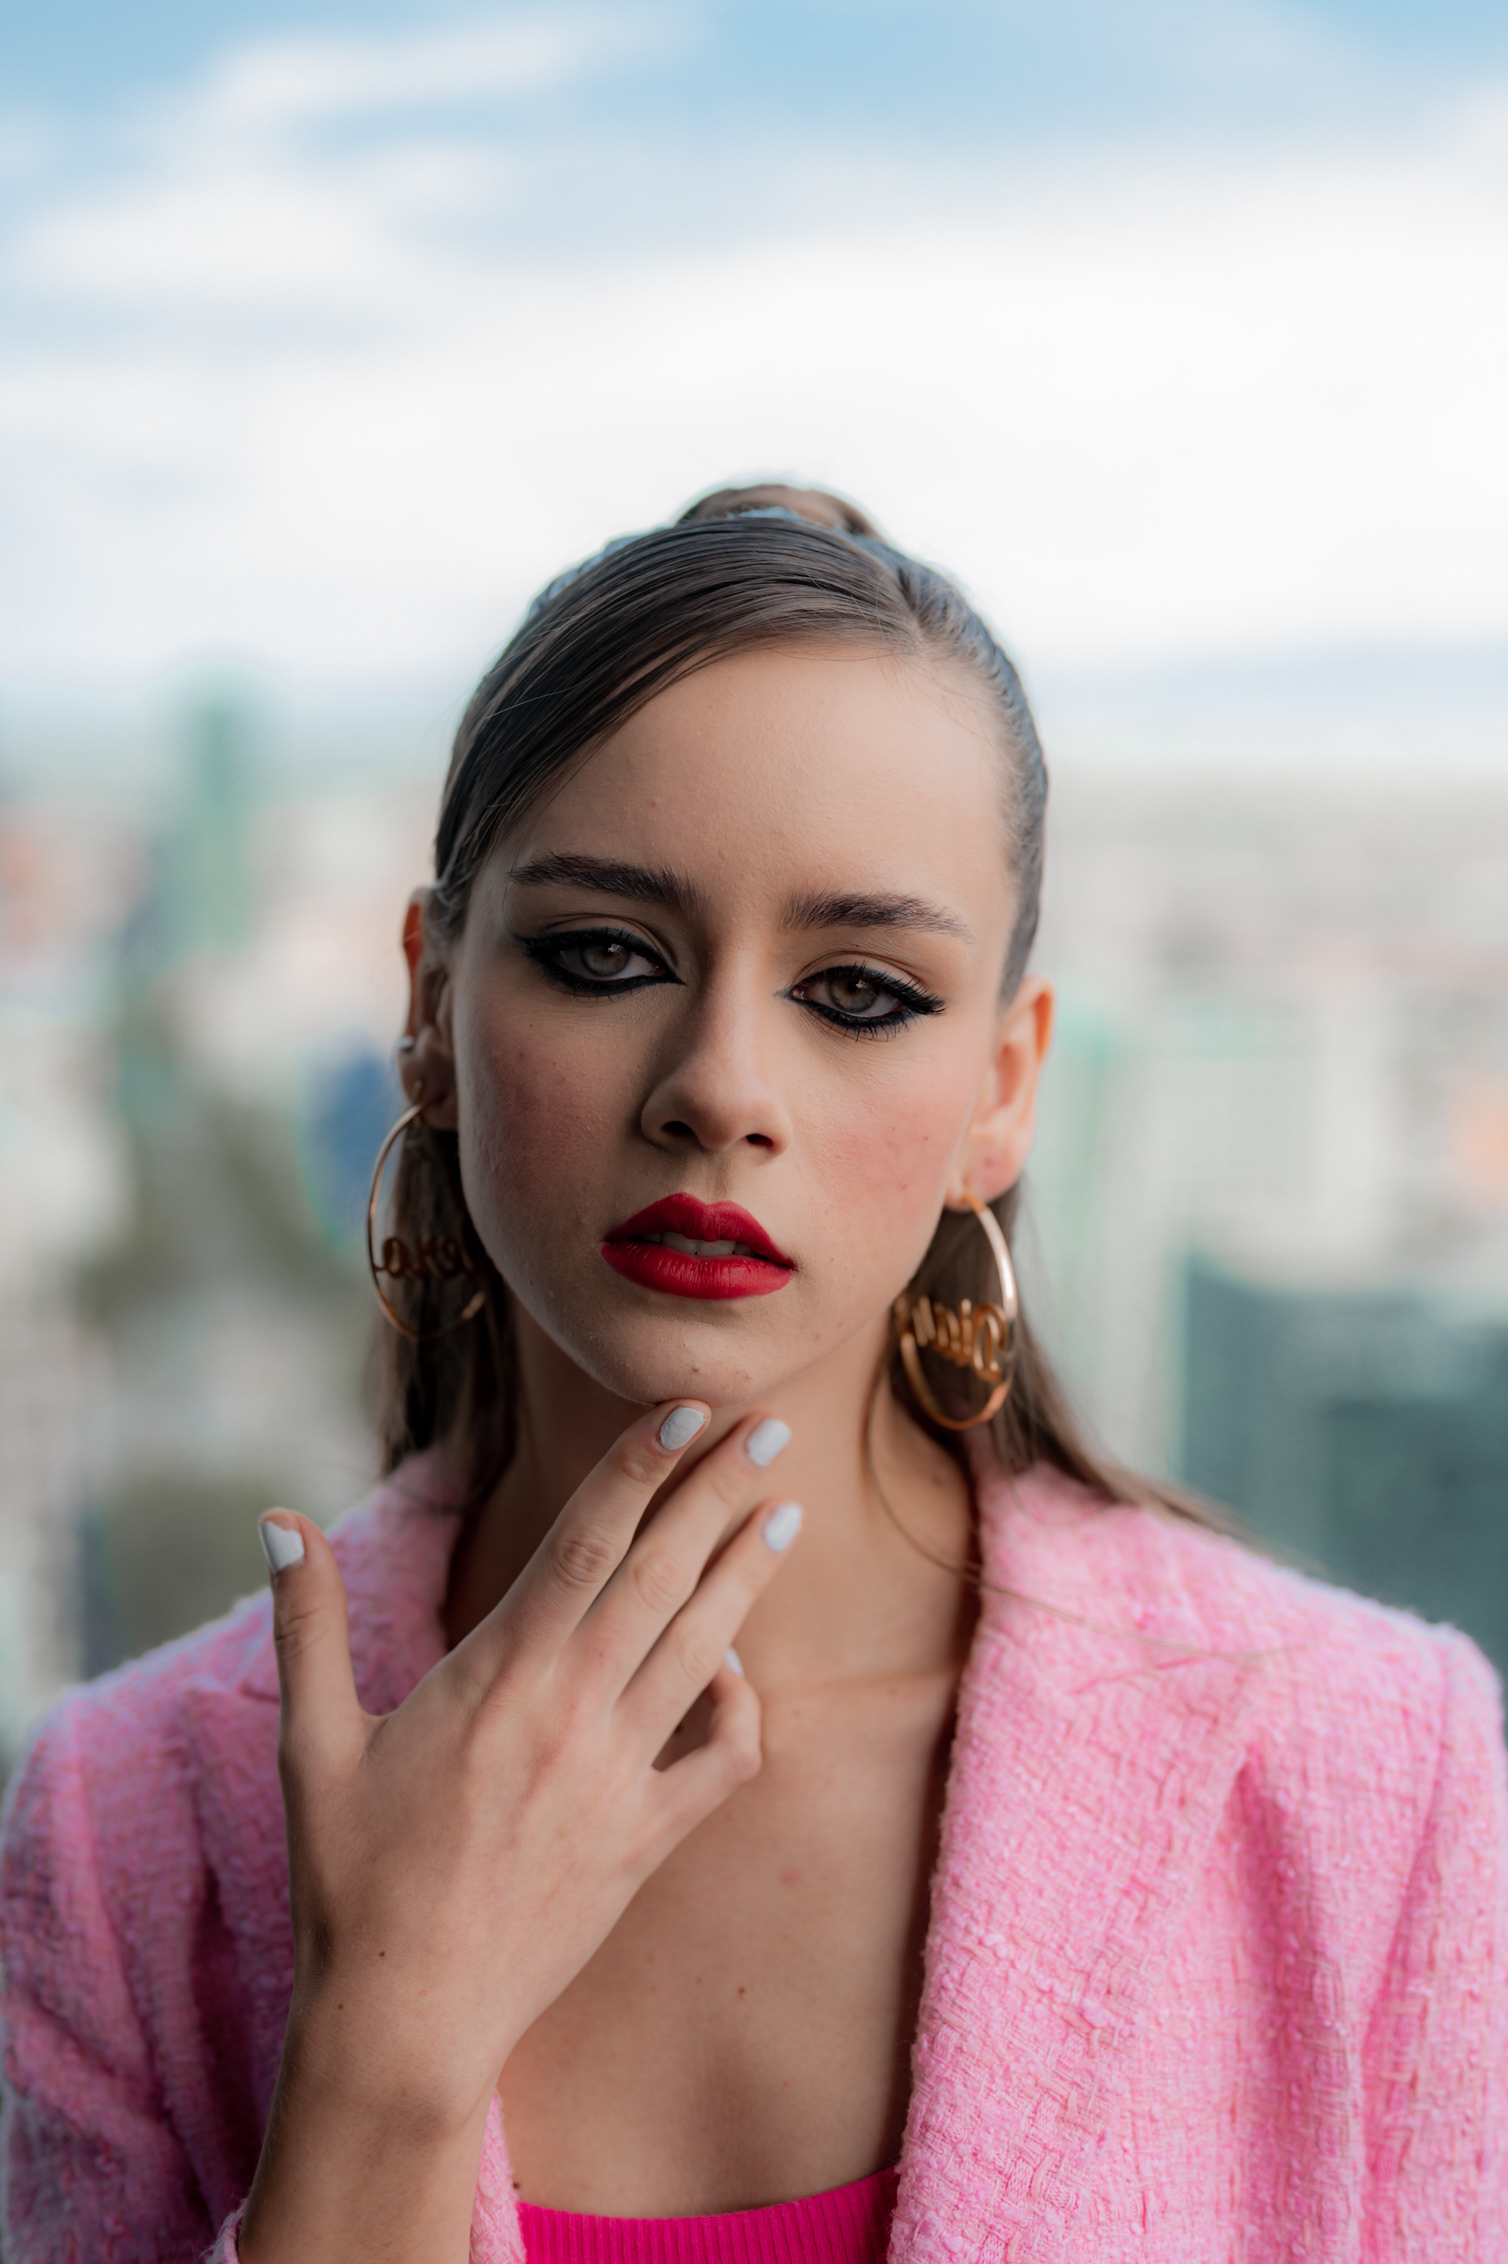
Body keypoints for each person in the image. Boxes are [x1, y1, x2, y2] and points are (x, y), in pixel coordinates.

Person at [2, 485, 1504, 2264]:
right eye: (604, 954)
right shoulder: (115, 1831)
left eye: (859, 991)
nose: (720, 1083)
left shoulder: (1374, 1773)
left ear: (1004, 1089)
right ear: (430, 1006)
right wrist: (384, 2061)